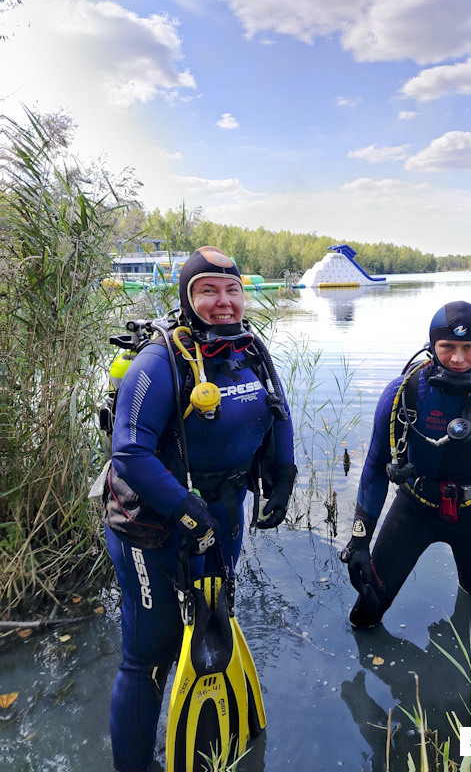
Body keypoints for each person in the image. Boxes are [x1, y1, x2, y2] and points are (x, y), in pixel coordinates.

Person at [102, 246, 296, 772]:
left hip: (222, 519)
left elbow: (278, 411)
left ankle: (218, 736)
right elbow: (129, 452)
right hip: (151, 527)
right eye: (207, 290)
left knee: (214, 621)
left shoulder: (251, 350)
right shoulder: (158, 361)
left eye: (232, 290)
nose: (224, 302)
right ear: (188, 299)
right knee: (148, 657)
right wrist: (186, 512)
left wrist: (284, 474)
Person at [342, 300, 471, 629]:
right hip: (414, 512)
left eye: (469, 347)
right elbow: (375, 468)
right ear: (431, 345)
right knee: (365, 614)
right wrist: (359, 541)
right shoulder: (404, 392)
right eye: (447, 346)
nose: (457, 358)